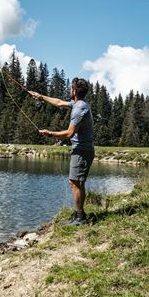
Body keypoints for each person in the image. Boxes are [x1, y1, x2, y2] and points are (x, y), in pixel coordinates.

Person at [29, 78, 94, 226]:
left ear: (75, 91)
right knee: (77, 183)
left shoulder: (79, 109)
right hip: (82, 150)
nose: (70, 90)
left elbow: (70, 133)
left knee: (74, 183)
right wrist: (41, 97)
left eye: (71, 88)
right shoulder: (78, 104)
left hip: (82, 151)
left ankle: (80, 217)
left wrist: (50, 134)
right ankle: (79, 213)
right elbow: (59, 103)